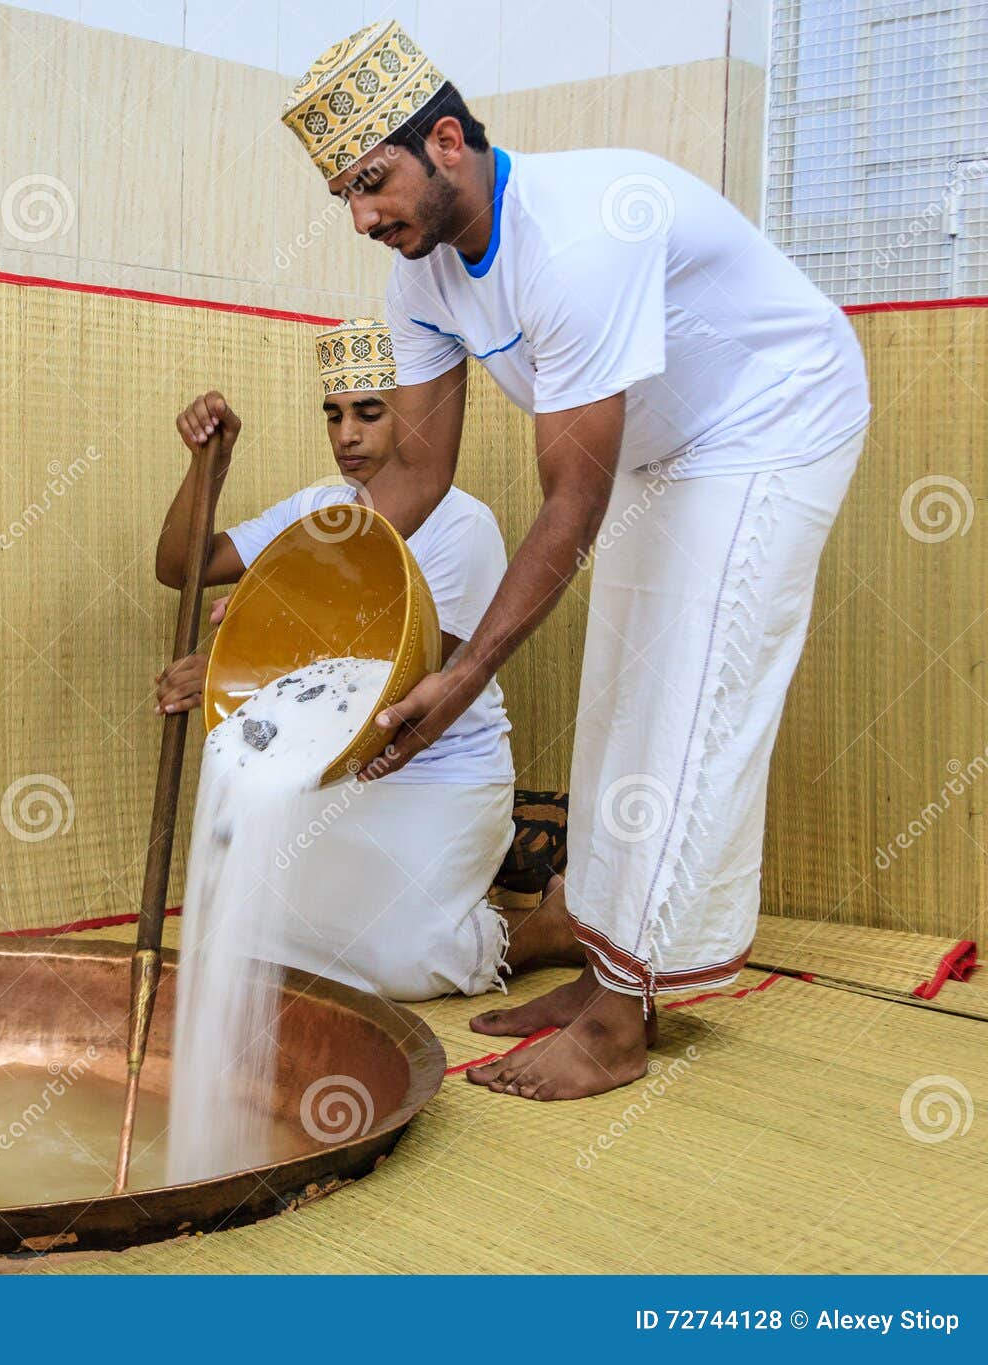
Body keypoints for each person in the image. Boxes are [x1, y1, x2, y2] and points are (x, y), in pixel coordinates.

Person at [257, 20, 871, 1099]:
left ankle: (621, 1020)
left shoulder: (578, 234)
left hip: (772, 422)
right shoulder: (422, 277)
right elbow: (412, 479)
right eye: (344, 199)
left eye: (373, 183)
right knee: (623, 692)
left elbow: (569, 501)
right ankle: (600, 962)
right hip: (661, 445)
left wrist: (465, 673)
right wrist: (284, 600)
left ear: (445, 141)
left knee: (693, 697)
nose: (362, 219)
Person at [154, 318, 581, 1001]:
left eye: (369, 412)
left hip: (434, 770)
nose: (346, 434)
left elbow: (399, 676)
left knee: (406, 963)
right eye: (334, 414)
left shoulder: (462, 526)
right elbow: (184, 565)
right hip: (335, 769)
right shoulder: (319, 509)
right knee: (258, 940)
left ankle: (548, 926)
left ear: (414, 416)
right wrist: (209, 466)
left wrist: (242, 675)